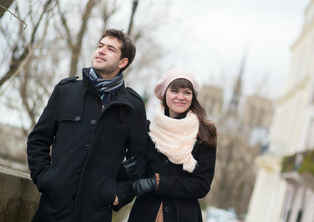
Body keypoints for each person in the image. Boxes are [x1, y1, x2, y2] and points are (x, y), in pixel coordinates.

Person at [27, 28, 147, 222]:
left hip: (96, 213)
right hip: (52, 210)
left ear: (123, 62)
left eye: (110, 49)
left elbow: (140, 161)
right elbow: (38, 140)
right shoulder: (66, 91)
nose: (101, 51)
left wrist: (118, 194)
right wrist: (46, 178)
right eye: (100, 46)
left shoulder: (133, 107)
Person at [127, 68, 217, 222]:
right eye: (174, 91)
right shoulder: (148, 129)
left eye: (187, 92)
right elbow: (137, 172)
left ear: (193, 97)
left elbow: (201, 185)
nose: (180, 97)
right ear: (164, 94)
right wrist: (126, 172)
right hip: (145, 212)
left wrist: (158, 183)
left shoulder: (204, 133)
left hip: (183, 215)